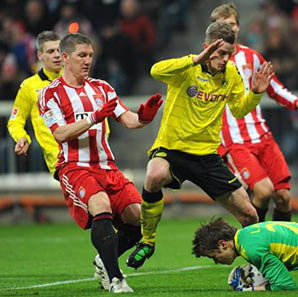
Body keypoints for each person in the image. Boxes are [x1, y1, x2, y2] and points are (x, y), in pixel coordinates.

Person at [126, 21, 274, 269]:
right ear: (207, 47)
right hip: (172, 149)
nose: (225, 59)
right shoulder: (186, 69)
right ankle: (147, 242)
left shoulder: (231, 75)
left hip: (206, 156)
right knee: (154, 175)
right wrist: (195, 59)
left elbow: (239, 110)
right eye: (220, 53)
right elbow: (155, 71)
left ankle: (259, 268)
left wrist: (256, 93)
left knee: (250, 214)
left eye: (229, 53)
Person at [38, 33, 163, 293]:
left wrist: (145, 117)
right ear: (65, 58)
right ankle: (115, 278)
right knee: (101, 205)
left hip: (108, 167)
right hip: (75, 167)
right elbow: (60, 133)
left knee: (141, 220)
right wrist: (94, 117)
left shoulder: (102, 88)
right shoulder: (50, 94)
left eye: (90, 56)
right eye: (82, 55)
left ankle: (104, 258)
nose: (87, 61)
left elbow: (127, 120)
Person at [211, 3, 298, 223]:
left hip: (261, 135)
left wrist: (296, 101)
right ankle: (256, 249)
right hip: (234, 141)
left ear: (238, 27)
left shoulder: (252, 57)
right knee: (263, 192)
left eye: (233, 24)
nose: (230, 29)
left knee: (284, 197)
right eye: (224, 25)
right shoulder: (209, 62)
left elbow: (273, 86)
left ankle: (282, 246)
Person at [7, 31, 61, 178]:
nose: (57, 55)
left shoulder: (76, 79)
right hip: (60, 160)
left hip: (88, 155)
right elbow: (15, 121)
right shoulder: (29, 86)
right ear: (40, 56)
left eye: (59, 50)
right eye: (51, 51)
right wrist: (22, 137)